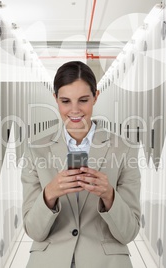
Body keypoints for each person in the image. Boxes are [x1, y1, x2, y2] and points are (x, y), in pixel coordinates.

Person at [21, 61, 141, 268]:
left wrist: (109, 196)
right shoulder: (36, 149)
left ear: (96, 96)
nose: (74, 110)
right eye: (65, 101)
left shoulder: (123, 149)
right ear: (55, 99)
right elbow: (34, 231)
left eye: (83, 100)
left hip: (105, 261)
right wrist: (49, 194)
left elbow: (129, 232)